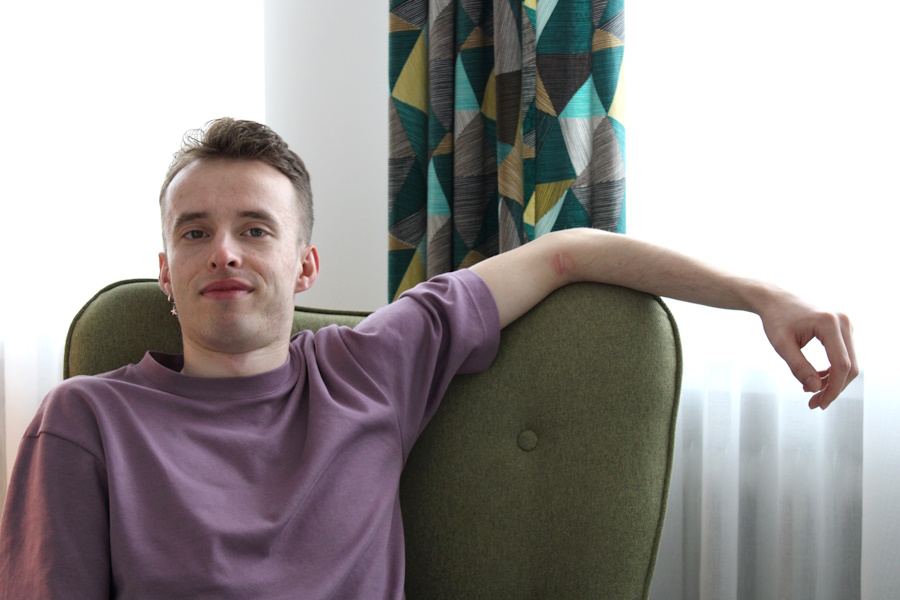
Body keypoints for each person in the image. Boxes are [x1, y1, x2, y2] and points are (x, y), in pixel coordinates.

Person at [0, 118, 857, 598]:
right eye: (195, 233)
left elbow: (571, 253)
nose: (224, 251)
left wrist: (762, 296)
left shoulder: (369, 369)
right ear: (166, 272)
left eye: (255, 229)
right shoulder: (86, 421)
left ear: (305, 264)